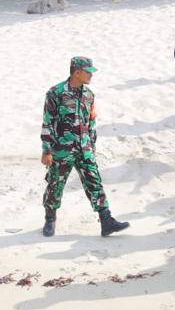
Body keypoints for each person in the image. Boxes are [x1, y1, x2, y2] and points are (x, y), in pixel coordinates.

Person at [40, 56, 130, 238]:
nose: (91, 75)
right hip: (62, 150)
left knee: (94, 182)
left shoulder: (89, 95)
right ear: (77, 72)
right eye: (88, 72)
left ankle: (106, 220)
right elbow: (47, 123)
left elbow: (91, 122)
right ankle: (50, 218)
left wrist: (91, 147)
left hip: (84, 149)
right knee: (55, 185)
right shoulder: (55, 93)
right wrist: (46, 150)